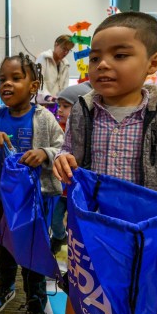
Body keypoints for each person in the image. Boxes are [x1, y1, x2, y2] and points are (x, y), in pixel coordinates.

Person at [53, 11, 157, 226]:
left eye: (120, 55)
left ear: (153, 63)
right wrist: (63, 157)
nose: (102, 64)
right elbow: (68, 149)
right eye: (94, 58)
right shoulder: (82, 110)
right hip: (93, 223)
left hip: (151, 226)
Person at [0, 53, 64, 314]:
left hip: (38, 199)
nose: (6, 84)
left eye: (15, 78)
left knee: (34, 252)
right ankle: (5, 286)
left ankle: (36, 304)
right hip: (6, 200)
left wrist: (45, 153)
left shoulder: (44, 118)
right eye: (2, 80)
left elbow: (63, 147)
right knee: (5, 248)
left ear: (33, 86)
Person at [50, 81, 93, 255]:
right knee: (55, 219)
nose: (60, 110)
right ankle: (60, 236)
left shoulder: (88, 131)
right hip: (60, 190)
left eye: (66, 106)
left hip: (78, 191)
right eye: (59, 105)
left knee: (77, 224)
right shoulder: (56, 127)